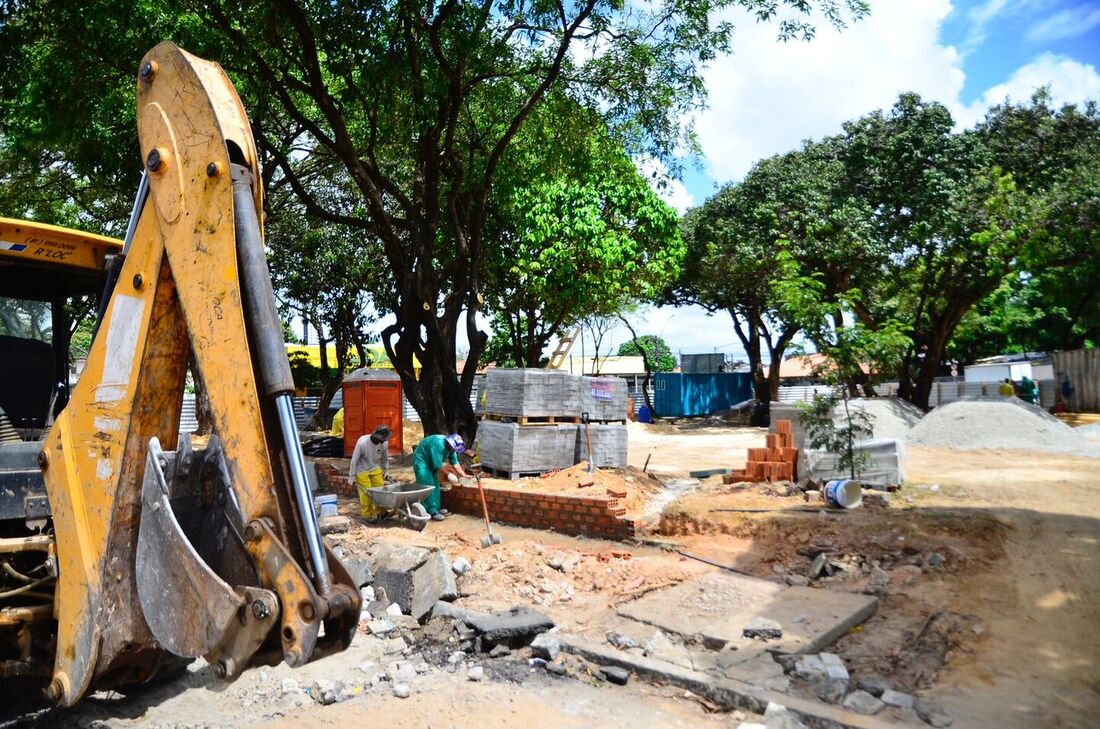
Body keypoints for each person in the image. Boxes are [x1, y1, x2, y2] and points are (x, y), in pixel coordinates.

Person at [412, 433, 468, 521]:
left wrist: (464, 475)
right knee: (428, 485)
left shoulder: (451, 449)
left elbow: (455, 463)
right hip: (422, 461)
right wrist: (448, 474)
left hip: (431, 462)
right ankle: (432, 511)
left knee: (435, 485)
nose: (454, 451)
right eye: (454, 448)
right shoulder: (438, 444)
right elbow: (438, 465)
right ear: (449, 443)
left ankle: (436, 508)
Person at [348, 425, 391, 521]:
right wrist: (352, 476)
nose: (384, 441)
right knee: (366, 494)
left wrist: (386, 470)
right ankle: (367, 515)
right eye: (382, 439)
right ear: (377, 437)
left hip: (375, 468)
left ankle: (382, 512)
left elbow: (385, 458)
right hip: (361, 470)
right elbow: (354, 460)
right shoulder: (362, 443)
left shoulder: (384, 444)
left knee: (380, 492)